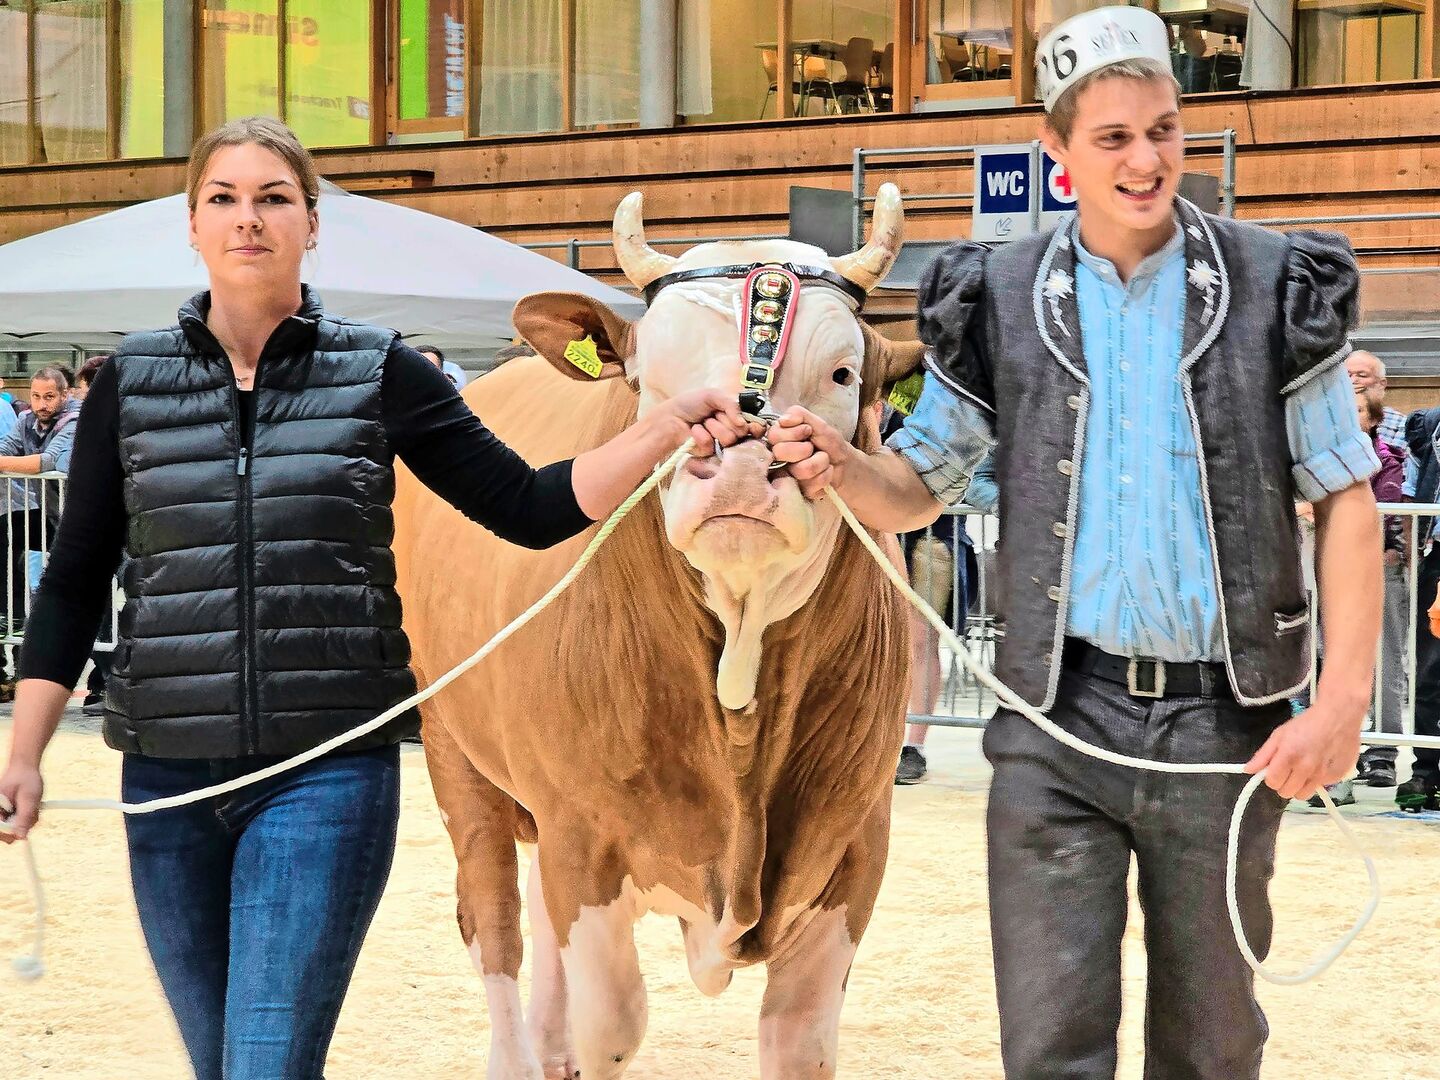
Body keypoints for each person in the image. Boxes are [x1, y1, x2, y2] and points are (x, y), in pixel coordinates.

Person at [0, 116, 752, 1080]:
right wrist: (23, 754)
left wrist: (662, 426)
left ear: (312, 223)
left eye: (274, 198)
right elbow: (73, 582)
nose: (248, 219)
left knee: (265, 1066)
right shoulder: (131, 383)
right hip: (165, 780)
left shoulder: (378, 368)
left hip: (324, 777)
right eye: (224, 199)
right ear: (192, 224)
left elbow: (526, 507)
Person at [767, 9, 1382, 1076]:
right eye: (1114, 138)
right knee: (1050, 1047)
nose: (1146, 161)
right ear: (1057, 151)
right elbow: (919, 483)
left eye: (1163, 130)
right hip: (1053, 719)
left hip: (1225, 725)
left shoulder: (1274, 282)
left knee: (1213, 1047)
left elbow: (1348, 496)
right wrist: (841, 463)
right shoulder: (1000, 295)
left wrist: (1341, 704)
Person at [0, 367, 79, 633]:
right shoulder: (25, 419)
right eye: (36, 396)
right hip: (49, 512)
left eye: (49, 396)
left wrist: (5, 463)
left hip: (81, 518)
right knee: (5, 531)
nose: (41, 404)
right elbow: (5, 448)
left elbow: (48, 461)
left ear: (65, 395)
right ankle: (11, 614)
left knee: (80, 580)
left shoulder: (76, 420)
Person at [1401, 403, 1440, 810]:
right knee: (1429, 670)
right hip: (1438, 561)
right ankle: (1425, 772)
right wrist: (1414, 558)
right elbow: (1411, 495)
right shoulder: (1429, 426)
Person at [73, 355, 115, 715]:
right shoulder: (84, 422)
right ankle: (102, 683)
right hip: (92, 531)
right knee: (96, 607)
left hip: (131, 533)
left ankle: (110, 684)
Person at [1347, 349, 1405, 453]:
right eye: (1347, 375)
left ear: (1381, 384)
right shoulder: (1327, 422)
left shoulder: (1400, 425)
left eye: (1362, 375)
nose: (1352, 381)